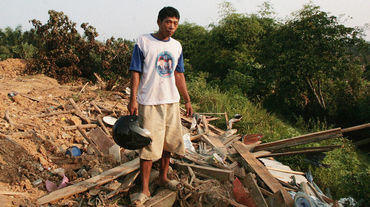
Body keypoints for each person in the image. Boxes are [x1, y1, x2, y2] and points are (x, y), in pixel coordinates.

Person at [127, 6, 193, 206]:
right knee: (148, 146)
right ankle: (145, 188)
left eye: (175, 23)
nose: (171, 27)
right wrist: (133, 99)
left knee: (168, 143)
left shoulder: (177, 46)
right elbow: (135, 71)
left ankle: (163, 177)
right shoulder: (143, 42)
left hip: (171, 101)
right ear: (159, 22)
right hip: (149, 102)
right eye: (168, 22)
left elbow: (178, 74)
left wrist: (187, 99)